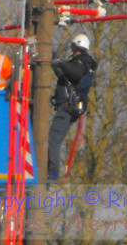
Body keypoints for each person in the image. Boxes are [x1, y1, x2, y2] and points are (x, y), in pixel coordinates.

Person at [47, 33, 98, 182]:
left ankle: (53, 174)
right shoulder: (79, 62)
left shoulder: (82, 62)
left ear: (77, 47)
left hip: (68, 106)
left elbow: (74, 74)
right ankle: (50, 172)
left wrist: (61, 62)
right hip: (69, 106)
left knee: (53, 139)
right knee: (53, 139)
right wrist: (55, 60)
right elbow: (64, 75)